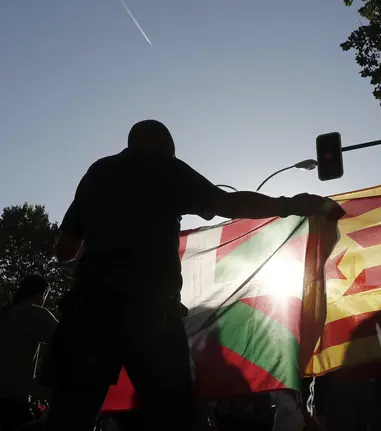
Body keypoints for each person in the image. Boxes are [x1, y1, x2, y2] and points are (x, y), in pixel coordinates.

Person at [45, 119, 335, 431]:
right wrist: (288, 204)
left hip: (89, 313)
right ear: (162, 145)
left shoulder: (96, 173)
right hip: (151, 315)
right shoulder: (165, 168)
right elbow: (225, 202)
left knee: (70, 416)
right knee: (172, 417)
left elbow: (64, 250)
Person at [0, 275, 58, 431]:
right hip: (12, 402)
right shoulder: (37, 314)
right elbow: (66, 342)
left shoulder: (4, 313)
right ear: (41, 294)